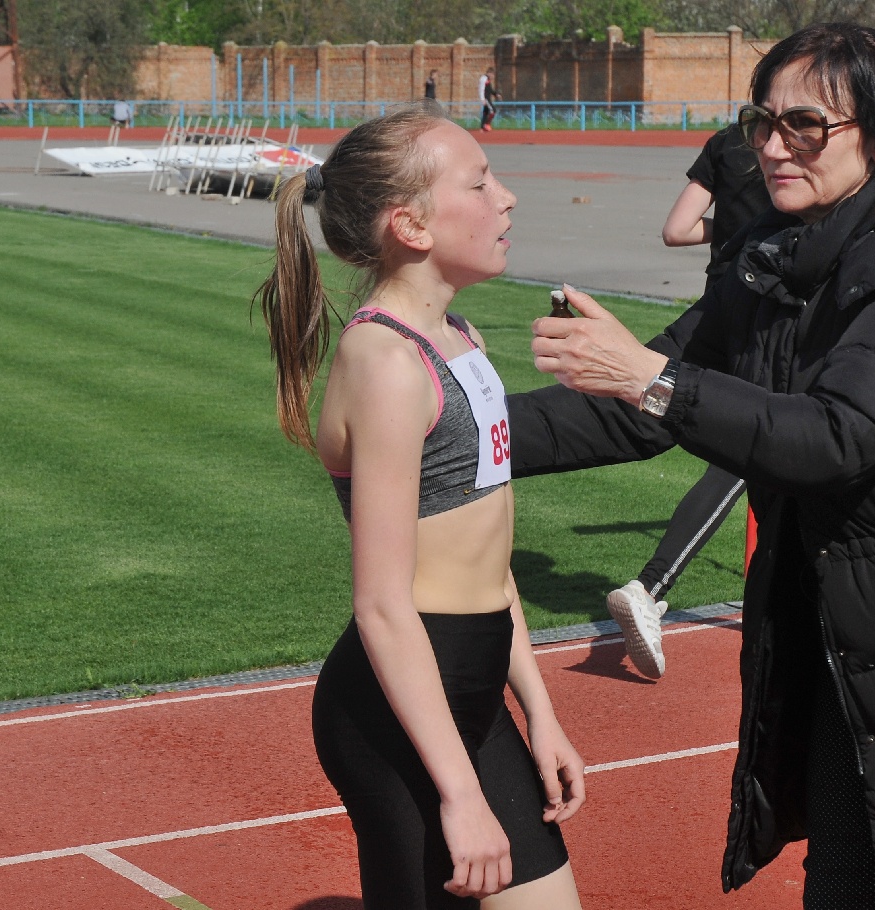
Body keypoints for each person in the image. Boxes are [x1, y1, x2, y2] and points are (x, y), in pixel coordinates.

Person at [510, 22, 875, 910]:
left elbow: (840, 435)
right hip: (852, 655)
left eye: (804, 126)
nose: (772, 145)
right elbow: (641, 407)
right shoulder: (776, 259)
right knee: (842, 886)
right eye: (761, 122)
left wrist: (647, 378)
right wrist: (450, 427)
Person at [256, 104, 585, 909]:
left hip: (474, 691)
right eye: (479, 183)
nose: (505, 198)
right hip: (396, 709)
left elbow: (489, 559)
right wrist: (460, 794)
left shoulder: (461, 338)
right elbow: (380, 604)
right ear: (410, 225)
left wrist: (538, 711)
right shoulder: (386, 362)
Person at [606, 122, 770, 679]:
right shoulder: (807, 148)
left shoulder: (727, 142)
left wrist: (731, 228)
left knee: (740, 450)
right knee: (749, 456)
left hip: (714, 310)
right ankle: (650, 587)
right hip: (768, 315)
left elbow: (676, 230)